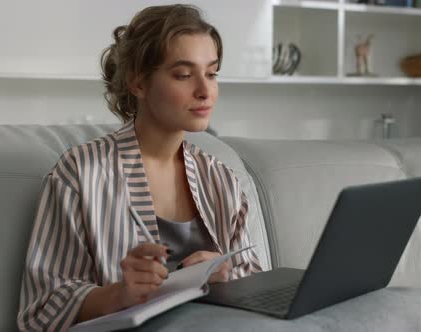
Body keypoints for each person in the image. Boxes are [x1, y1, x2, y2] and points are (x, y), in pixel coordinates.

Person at [16, 4, 261, 331]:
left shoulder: (222, 179)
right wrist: (118, 295)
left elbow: (260, 288)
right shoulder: (80, 174)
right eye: (184, 75)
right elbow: (41, 312)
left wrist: (225, 279)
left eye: (212, 73)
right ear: (138, 83)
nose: (205, 91)